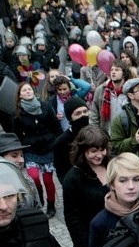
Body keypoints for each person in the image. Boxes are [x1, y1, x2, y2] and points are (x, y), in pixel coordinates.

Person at [12, 82, 62, 218]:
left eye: (29, 89)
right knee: (34, 177)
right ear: (20, 95)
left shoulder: (45, 106)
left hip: (48, 147)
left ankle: (51, 205)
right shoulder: (18, 112)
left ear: (33, 92)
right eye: (24, 90)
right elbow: (16, 134)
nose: (28, 92)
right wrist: (21, 149)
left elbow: (56, 126)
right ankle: (39, 197)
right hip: (31, 150)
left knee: (48, 180)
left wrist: (56, 142)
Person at [62, 125, 110, 247]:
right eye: (94, 151)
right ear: (83, 150)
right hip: (96, 240)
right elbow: (73, 219)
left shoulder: (112, 164)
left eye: (102, 149)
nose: (99, 155)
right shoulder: (72, 179)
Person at [88, 152, 139, 247]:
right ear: (112, 184)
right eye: (123, 180)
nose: (131, 186)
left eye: (136, 179)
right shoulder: (99, 223)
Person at [52, 97, 90, 183]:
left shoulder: (98, 133)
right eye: (78, 113)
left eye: (85, 111)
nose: (83, 115)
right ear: (70, 117)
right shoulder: (61, 142)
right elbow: (61, 172)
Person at [0, 133, 41, 209]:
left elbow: (37, 209)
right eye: (14, 156)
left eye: (22, 155)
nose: (21, 160)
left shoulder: (28, 181)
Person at [89, 60, 131, 134]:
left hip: (126, 134)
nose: (113, 72)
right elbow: (94, 114)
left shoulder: (130, 91)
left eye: (117, 70)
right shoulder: (101, 90)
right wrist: (96, 133)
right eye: (112, 70)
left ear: (124, 74)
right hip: (106, 134)